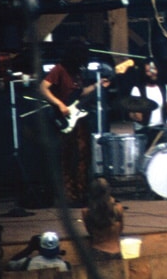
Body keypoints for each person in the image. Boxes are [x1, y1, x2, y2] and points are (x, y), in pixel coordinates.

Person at [40, 37, 111, 204]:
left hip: (77, 119)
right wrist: (59, 104)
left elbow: (80, 93)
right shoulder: (59, 70)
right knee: (66, 158)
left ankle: (81, 193)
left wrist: (98, 85)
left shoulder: (77, 73)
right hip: (62, 119)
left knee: (83, 155)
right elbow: (42, 88)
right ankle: (67, 195)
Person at [129, 58, 167, 144]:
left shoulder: (164, 88)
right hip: (145, 131)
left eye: (155, 69)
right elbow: (137, 115)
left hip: (161, 130)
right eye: (149, 71)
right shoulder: (137, 89)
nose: (153, 73)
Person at [82, 177, 126, 261]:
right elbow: (120, 230)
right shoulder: (119, 209)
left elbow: (90, 231)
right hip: (116, 252)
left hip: (97, 253)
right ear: (108, 190)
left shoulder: (86, 212)